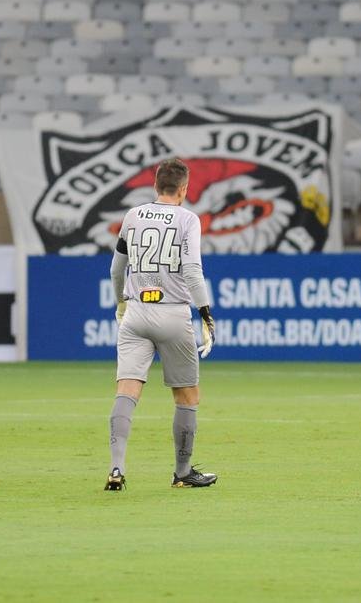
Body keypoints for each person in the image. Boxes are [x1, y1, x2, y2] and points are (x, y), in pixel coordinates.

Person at [105, 158, 217, 491]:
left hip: (136, 313)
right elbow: (193, 271)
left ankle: (116, 468)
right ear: (184, 189)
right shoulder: (188, 219)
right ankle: (182, 473)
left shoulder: (133, 216)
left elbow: (115, 270)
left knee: (126, 390)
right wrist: (206, 314)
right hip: (172, 313)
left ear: (155, 186)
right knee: (187, 395)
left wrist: (121, 305)